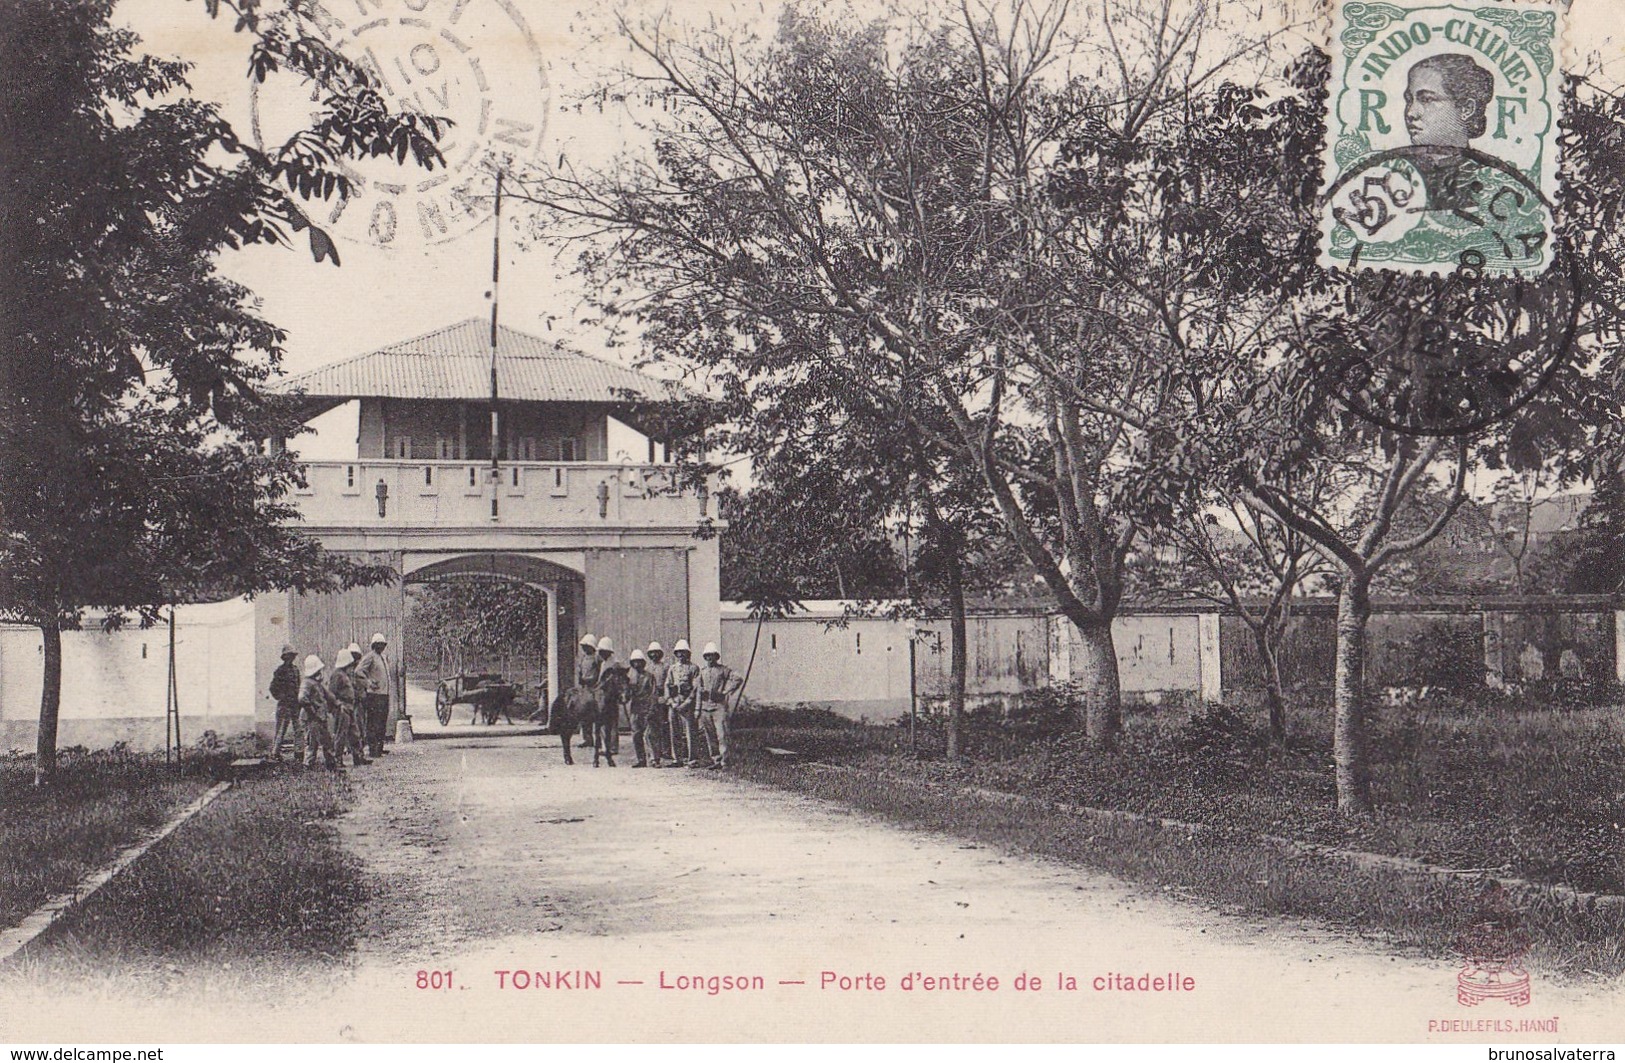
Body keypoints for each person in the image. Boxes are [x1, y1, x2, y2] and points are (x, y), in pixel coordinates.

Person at [1404, 53, 1495, 151]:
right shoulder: (1390, 164)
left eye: (1427, 99)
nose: (1410, 113)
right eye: (1409, 100)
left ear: (1467, 109)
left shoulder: (1490, 166)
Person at [693, 642, 742, 770]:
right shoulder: (702, 672)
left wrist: (725, 692)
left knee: (722, 734)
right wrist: (697, 709)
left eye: (712, 655)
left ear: (716, 656)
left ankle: (725, 761)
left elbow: (738, 679)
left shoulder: (723, 670)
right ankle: (716, 759)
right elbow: (698, 691)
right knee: (710, 735)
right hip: (705, 707)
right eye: (707, 656)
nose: (710, 658)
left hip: (719, 706)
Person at [327, 646, 370, 767]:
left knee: (354, 733)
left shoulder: (345, 674)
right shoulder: (337, 675)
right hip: (343, 708)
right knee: (341, 734)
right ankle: (337, 759)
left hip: (350, 707)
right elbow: (331, 693)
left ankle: (358, 757)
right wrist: (337, 705)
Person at [663, 639, 701, 768]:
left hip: (687, 704)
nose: (680, 655)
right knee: (674, 731)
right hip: (674, 703)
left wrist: (686, 703)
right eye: (678, 652)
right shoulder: (672, 669)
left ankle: (692, 759)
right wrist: (671, 701)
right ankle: (677, 758)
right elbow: (667, 685)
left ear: (688, 653)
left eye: (683, 652)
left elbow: (695, 688)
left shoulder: (694, 668)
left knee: (690, 731)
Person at [298, 655, 339, 772]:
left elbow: (328, 696)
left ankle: (331, 764)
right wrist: (312, 710)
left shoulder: (317, 684)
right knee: (312, 743)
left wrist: (337, 703)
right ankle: (308, 765)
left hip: (321, 718)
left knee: (327, 741)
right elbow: (302, 698)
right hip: (311, 718)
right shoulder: (307, 683)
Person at [356, 633, 392, 758]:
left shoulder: (383, 657)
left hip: (384, 694)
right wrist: (368, 683)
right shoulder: (370, 657)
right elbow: (359, 671)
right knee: (373, 723)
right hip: (374, 695)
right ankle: (373, 749)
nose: (381, 647)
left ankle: (379, 747)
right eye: (379, 644)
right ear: (374, 645)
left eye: (383, 644)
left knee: (382, 722)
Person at [626, 649, 661, 767]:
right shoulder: (630, 677)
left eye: (639, 662)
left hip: (647, 707)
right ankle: (641, 759)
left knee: (650, 734)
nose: (637, 664)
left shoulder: (649, 676)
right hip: (635, 709)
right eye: (635, 662)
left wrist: (652, 708)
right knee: (636, 734)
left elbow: (653, 693)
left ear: (643, 663)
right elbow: (626, 694)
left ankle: (654, 759)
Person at [268, 644, 302, 762]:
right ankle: (275, 753)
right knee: (281, 729)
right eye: (288, 656)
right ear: (284, 657)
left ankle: (299, 753)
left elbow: (299, 686)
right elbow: (273, 688)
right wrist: (281, 697)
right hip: (284, 705)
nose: (291, 658)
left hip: (295, 704)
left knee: (298, 728)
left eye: (292, 656)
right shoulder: (280, 671)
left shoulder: (296, 670)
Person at [593, 647, 626, 768]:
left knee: (612, 723)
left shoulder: (615, 663)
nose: (601, 654)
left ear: (608, 652)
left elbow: (619, 679)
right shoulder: (603, 664)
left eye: (603, 652)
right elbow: (601, 680)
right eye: (600, 652)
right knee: (602, 723)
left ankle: (613, 747)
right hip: (604, 694)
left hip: (613, 696)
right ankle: (605, 746)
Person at [645, 642, 671, 767]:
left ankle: (665, 751)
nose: (654, 655)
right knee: (651, 727)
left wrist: (665, 697)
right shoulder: (647, 668)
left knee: (664, 726)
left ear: (660, 654)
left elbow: (668, 683)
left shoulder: (666, 667)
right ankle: (653, 754)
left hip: (662, 698)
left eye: (656, 653)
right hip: (650, 700)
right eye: (651, 653)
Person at [573, 633, 601, 749]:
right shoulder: (583, 658)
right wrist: (580, 678)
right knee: (584, 715)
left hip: (594, 688)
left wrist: (591, 680)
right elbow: (580, 671)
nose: (584, 649)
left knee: (596, 715)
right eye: (583, 646)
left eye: (586, 646)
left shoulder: (597, 658)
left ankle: (599, 740)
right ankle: (587, 739)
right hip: (585, 688)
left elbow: (599, 673)